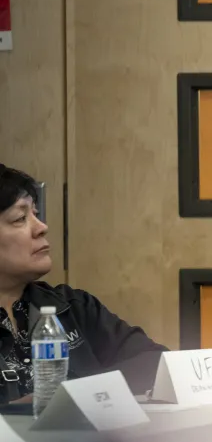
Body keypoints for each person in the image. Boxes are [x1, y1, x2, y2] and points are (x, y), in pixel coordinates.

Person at [0, 164, 166, 404]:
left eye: (36, 214)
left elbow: (155, 363)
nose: (42, 228)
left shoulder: (72, 306)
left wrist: (71, 395)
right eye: (20, 218)